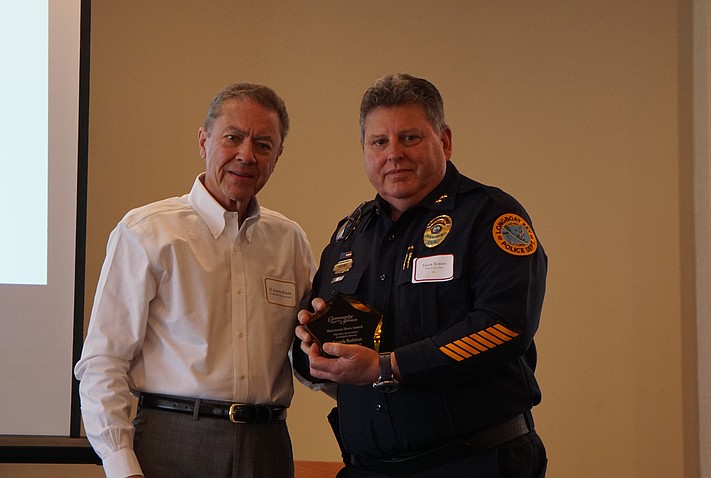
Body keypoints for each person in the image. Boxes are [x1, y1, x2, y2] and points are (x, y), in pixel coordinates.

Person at [293, 73, 548, 477]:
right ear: (364, 150)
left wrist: (389, 365)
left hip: (469, 463)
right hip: (367, 467)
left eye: (409, 138)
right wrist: (313, 346)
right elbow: (319, 339)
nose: (393, 153)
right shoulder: (350, 234)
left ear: (444, 141)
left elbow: (505, 326)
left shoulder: (490, 216)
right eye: (379, 142)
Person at [75, 82, 316, 478]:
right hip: (174, 442)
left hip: (268, 447)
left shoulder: (290, 241)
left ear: (277, 156)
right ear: (204, 141)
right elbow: (105, 360)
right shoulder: (147, 232)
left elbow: (306, 354)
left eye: (263, 144)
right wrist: (121, 465)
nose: (246, 155)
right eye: (233, 138)